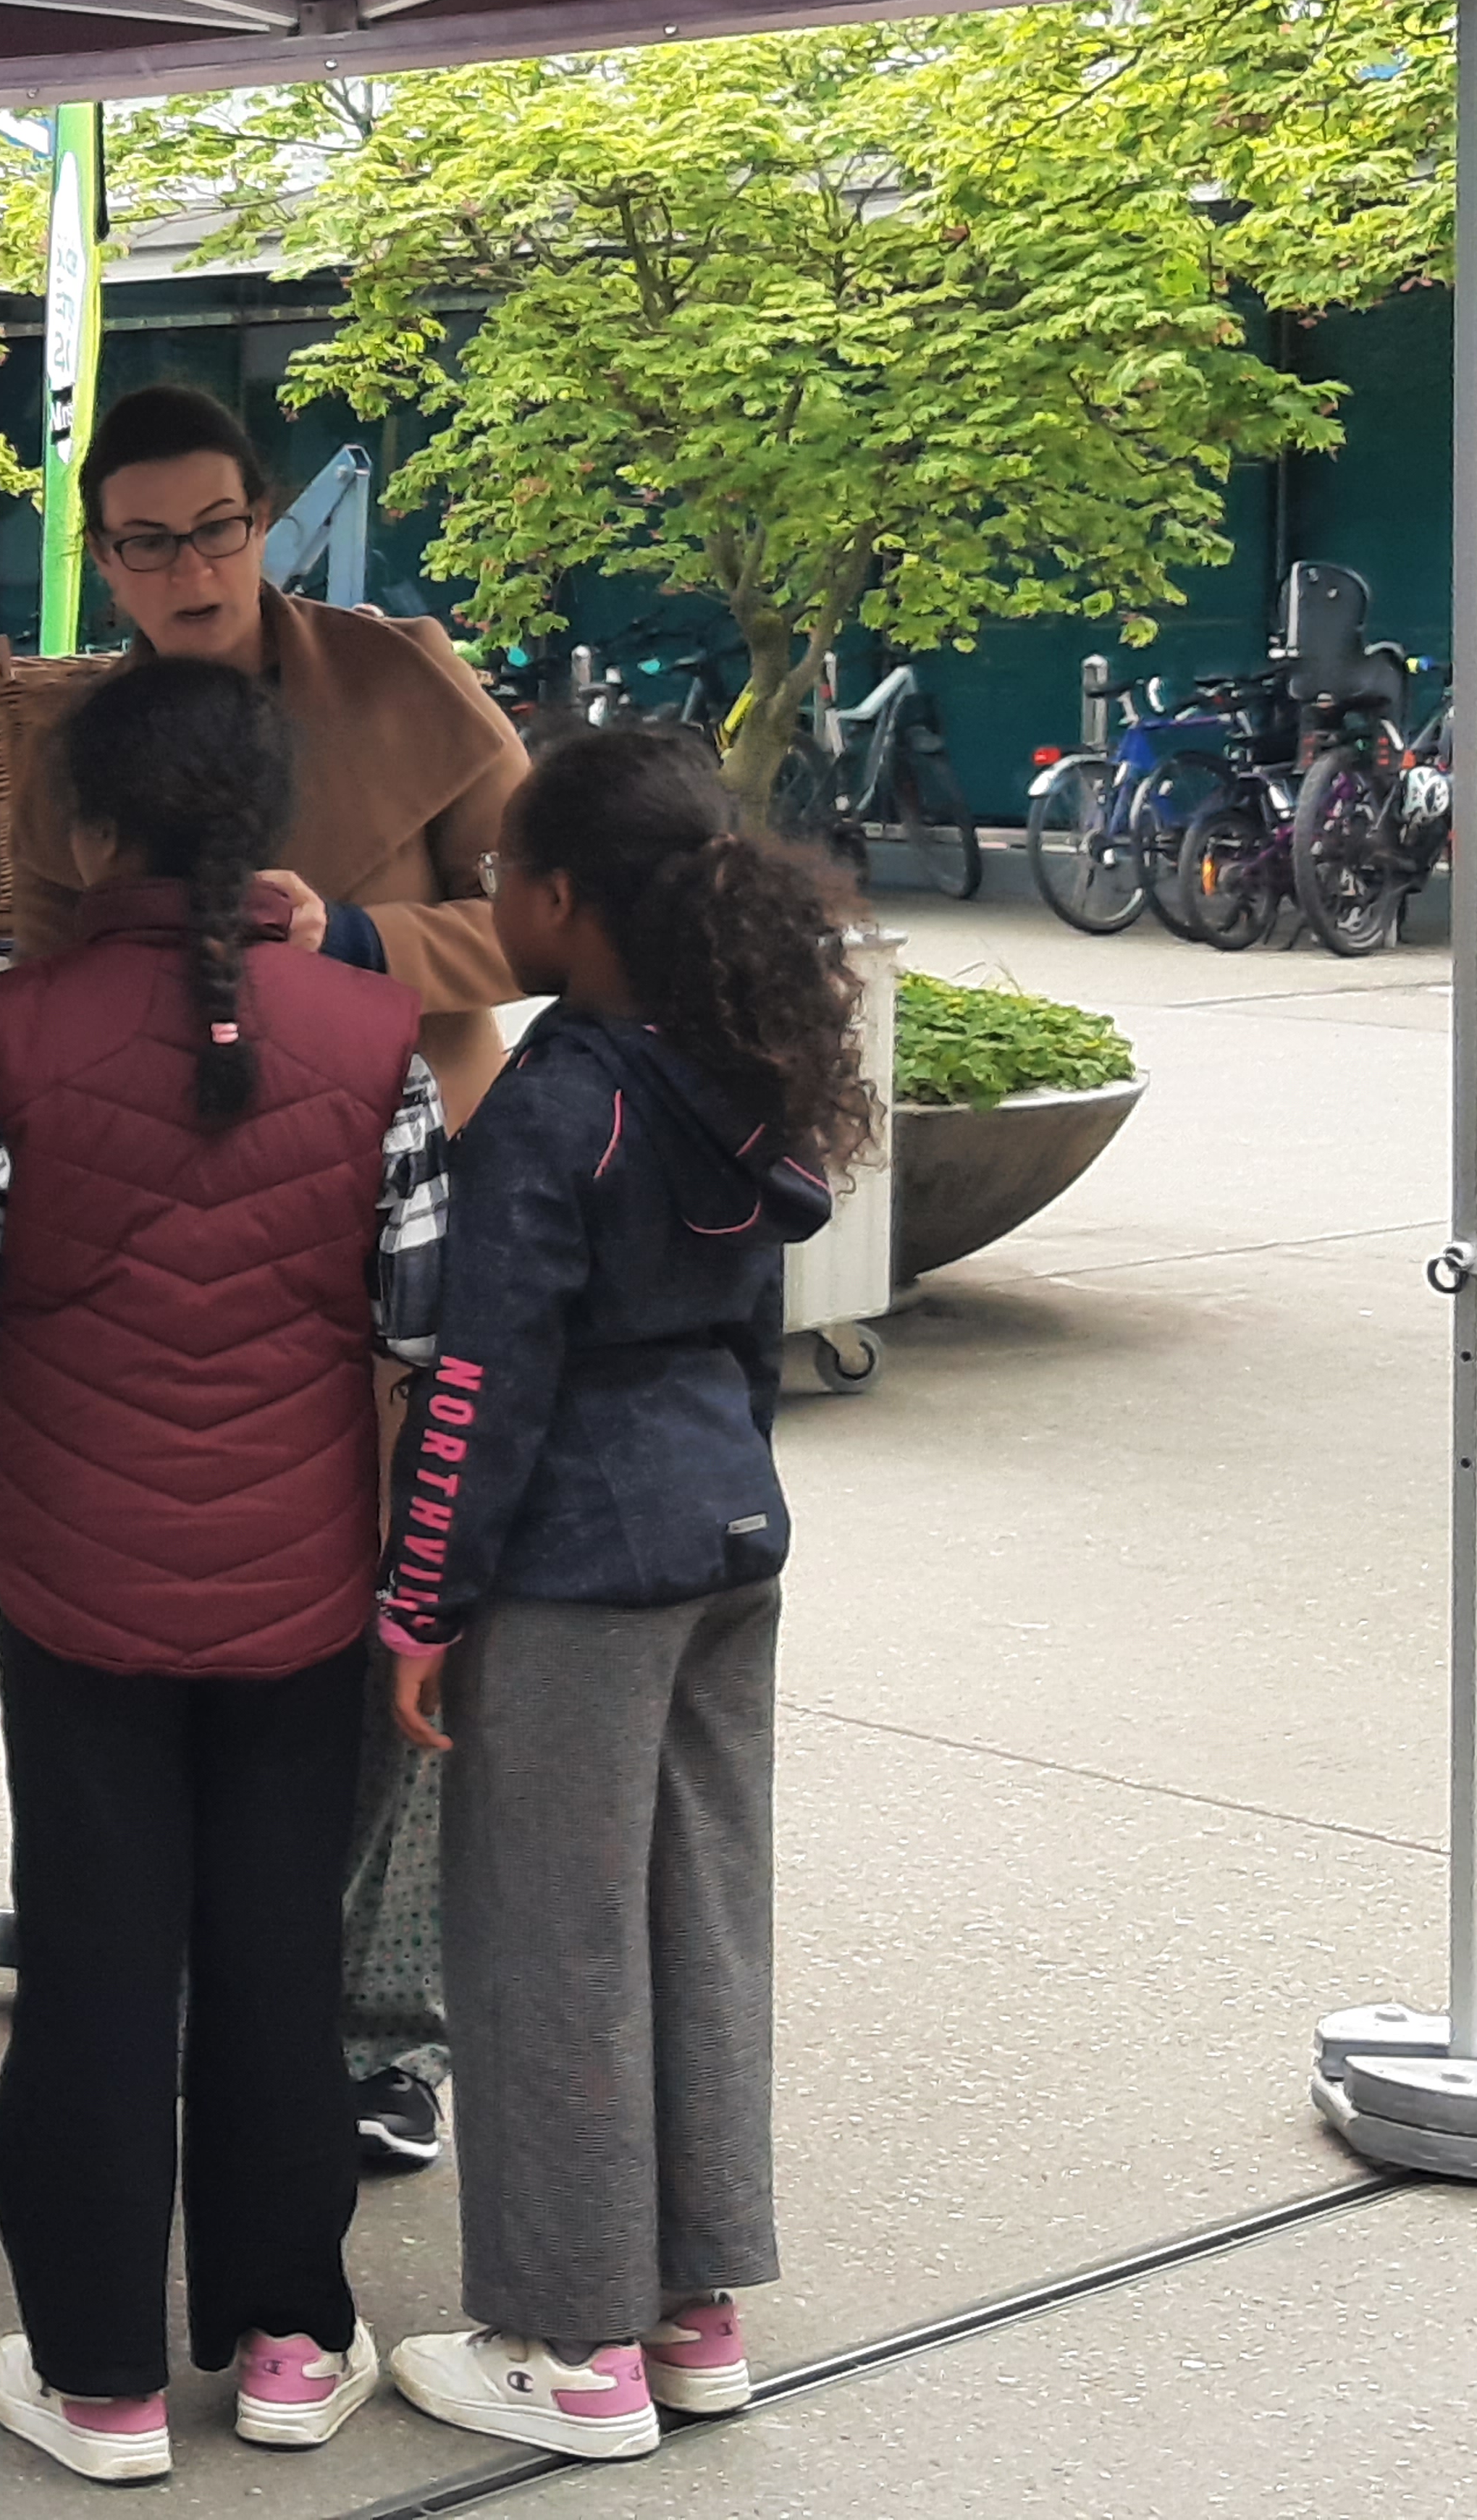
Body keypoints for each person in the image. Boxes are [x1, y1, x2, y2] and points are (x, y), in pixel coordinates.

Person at [0, 659, 450, 2481]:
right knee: (277, 1954)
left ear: (96, 825)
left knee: (98, 1960)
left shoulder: (7, 1033)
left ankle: (101, 2378)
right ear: (268, 823)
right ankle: (291, 2343)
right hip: (296, 1584)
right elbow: (419, 1312)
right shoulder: (377, 1037)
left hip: (75, 1584)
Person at [10, 381, 533, 2176]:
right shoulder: (80, 742)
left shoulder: (403, 681)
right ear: (105, 558)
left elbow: (552, 911)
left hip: (413, 1227)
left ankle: (378, 2030)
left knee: (401, 1627)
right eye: (149, 542)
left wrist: (360, 935)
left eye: (219, 529)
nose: (192, 570)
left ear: (266, 520)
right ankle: (184, 2006)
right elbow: (47, 970)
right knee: (177, 1639)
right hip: (170, 1254)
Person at [374, 724, 872, 2464]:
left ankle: (571, 2342)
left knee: (553, 1941)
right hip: (730, 1535)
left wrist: (421, 1600)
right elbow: (752, 1338)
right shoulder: (738, 1069)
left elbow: (485, 1378)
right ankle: (692, 2309)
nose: (491, 899)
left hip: (579, 1569)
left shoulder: (555, 1100)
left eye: (501, 873)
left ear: (564, 898)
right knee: (699, 1917)